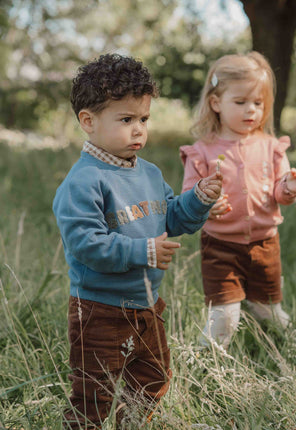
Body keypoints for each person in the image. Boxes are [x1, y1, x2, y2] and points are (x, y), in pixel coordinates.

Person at [53, 53, 222, 429]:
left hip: (146, 307)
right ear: (88, 121)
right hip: (98, 311)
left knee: (154, 380)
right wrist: (143, 251)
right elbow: (86, 245)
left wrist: (200, 198)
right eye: (126, 119)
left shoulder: (149, 172)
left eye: (144, 119)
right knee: (93, 397)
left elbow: (173, 218)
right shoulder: (84, 182)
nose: (138, 130)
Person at [180, 51, 296, 349]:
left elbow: (280, 193)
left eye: (258, 103)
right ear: (216, 103)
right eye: (240, 102)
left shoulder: (271, 147)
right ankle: (202, 360)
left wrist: (288, 186)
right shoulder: (202, 152)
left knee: (267, 309)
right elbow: (188, 196)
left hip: (265, 244)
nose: (251, 110)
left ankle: (292, 342)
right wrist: (206, 205)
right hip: (220, 246)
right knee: (225, 317)